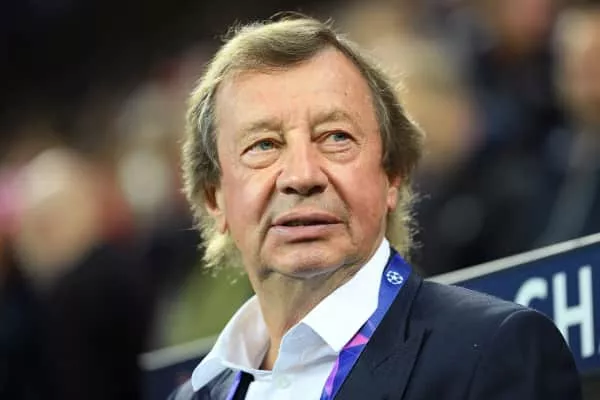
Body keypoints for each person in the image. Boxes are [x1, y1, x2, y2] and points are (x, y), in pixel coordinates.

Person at [169, 14, 581, 400]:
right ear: (214, 199)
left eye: (336, 137)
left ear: (392, 176)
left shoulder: (496, 351)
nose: (302, 175)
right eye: (264, 145)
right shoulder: (192, 393)